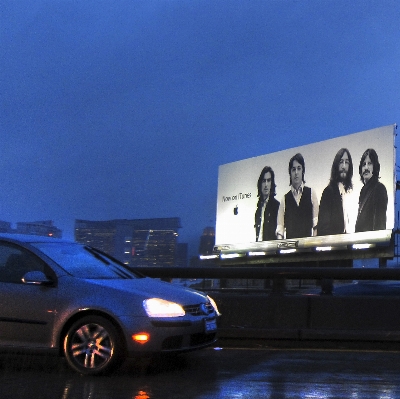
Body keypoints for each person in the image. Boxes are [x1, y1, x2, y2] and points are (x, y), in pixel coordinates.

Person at [276, 153, 318, 239]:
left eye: (299, 168)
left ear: (303, 171)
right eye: (293, 169)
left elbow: (316, 225)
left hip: (308, 248)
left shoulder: (311, 193)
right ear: (290, 173)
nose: (296, 173)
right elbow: (280, 230)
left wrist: (314, 246)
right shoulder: (284, 199)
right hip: (291, 250)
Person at [318, 148, 355, 236]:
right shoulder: (328, 192)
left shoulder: (350, 194)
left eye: (347, 162)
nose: (343, 166)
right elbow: (323, 229)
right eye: (341, 162)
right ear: (336, 165)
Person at [355, 148, 388, 232]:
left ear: (375, 167)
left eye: (369, 163)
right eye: (363, 164)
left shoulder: (379, 189)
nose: (366, 167)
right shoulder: (363, 191)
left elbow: (380, 226)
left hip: (371, 243)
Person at [254, 166, 280, 241]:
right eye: (263, 181)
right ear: (260, 184)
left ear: (272, 183)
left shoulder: (276, 206)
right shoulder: (258, 209)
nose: (266, 184)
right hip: (258, 250)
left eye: (268, 181)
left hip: (271, 251)